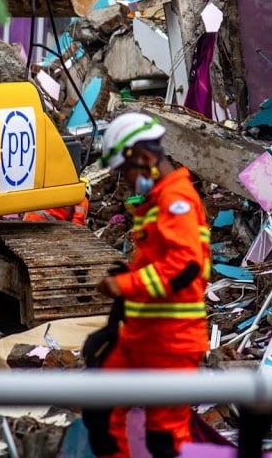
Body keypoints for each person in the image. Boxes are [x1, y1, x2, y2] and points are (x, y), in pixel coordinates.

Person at [83, 112, 211, 458]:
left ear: (143, 158)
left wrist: (123, 285)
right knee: (100, 414)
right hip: (141, 338)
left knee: (164, 439)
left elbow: (183, 268)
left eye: (125, 172)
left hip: (171, 343)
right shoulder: (158, 202)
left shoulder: (176, 201)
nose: (125, 182)